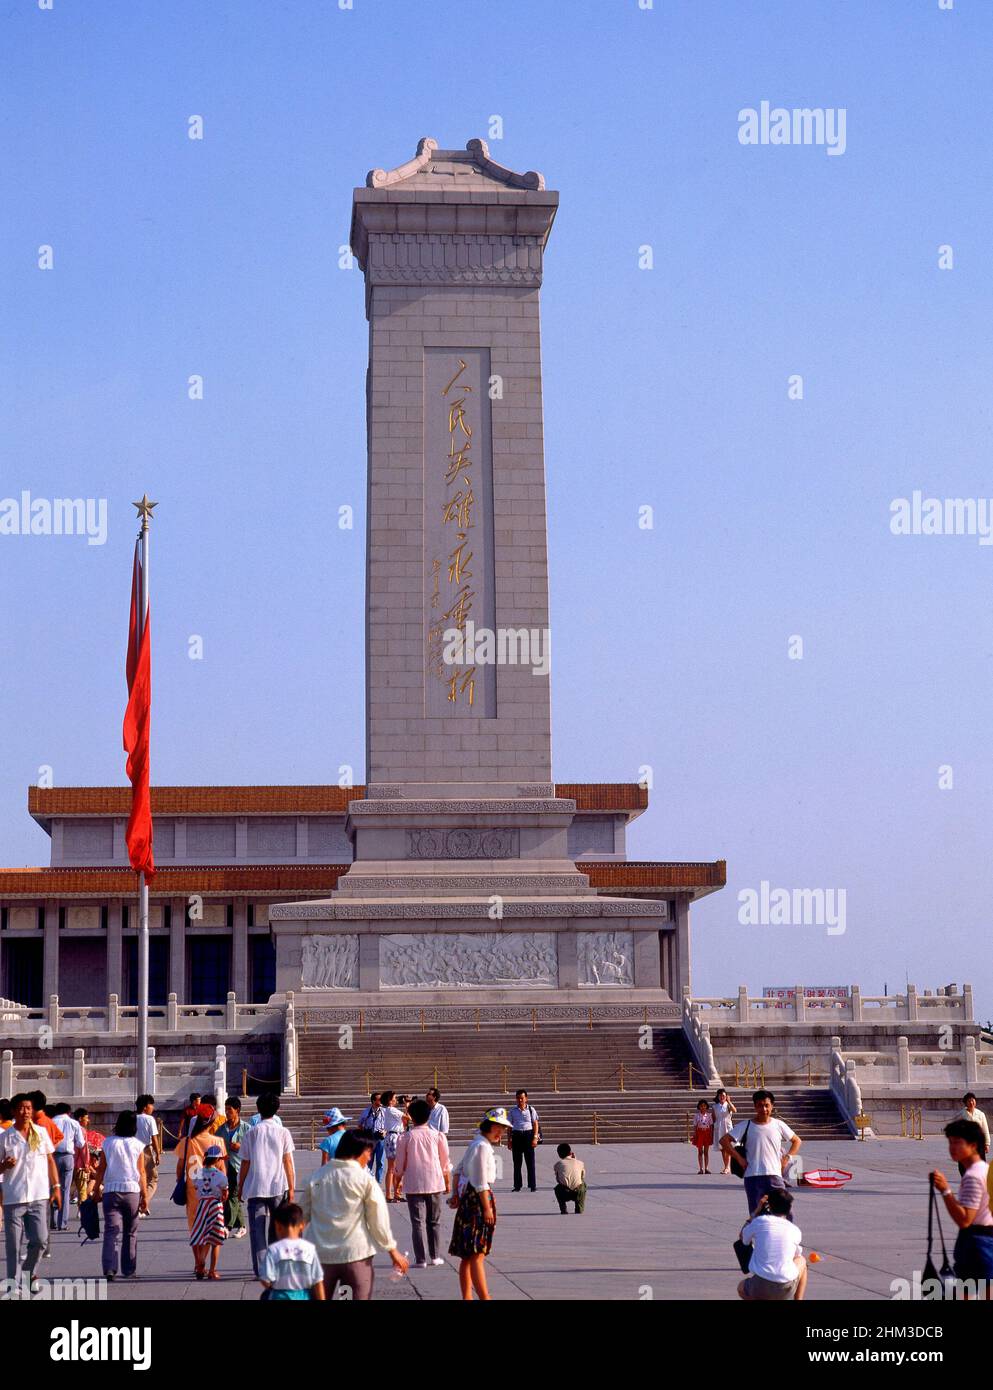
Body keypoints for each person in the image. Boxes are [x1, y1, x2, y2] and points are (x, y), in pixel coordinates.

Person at [297, 1127, 408, 1300]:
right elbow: (378, 1221)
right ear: (359, 1151)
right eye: (369, 1152)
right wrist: (393, 1252)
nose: (369, 1158)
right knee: (349, 1296)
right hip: (355, 1256)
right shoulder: (365, 1180)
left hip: (320, 1257)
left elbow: (300, 1218)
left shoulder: (316, 1178)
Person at [448, 1107, 512, 1301]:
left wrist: (456, 1195)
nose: (500, 1132)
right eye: (497, 1127)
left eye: (502, 1128)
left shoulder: (476, 1144)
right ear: (488, 1126)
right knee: (477, 1253)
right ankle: (484, 1297)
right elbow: (480, 1182)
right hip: (478, 1200)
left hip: (470, 1198)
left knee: (468, 1255)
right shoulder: (482, 1147)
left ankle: (467, 1296)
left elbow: (458, 1171)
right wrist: (487, 1208)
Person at [0, 1094, 60, 1285]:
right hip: (14, 1196)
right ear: (13, 1111)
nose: (25, 1112)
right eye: (21, 1108)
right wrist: (4, 1165)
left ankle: (28, 1272)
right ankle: (13, 1284)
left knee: (41, 1240)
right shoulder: (5, 1137)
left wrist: (56, 1186)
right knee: (13, 1246)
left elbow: (50, 1160)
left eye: (28, 1108)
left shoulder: (40, 1133)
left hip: (38, 1195)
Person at [238, 1092, 295, 1278]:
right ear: (276, 1110)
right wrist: (292, 1188)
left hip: (255, 1186)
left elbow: (245, 1162)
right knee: (277, 1229)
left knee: (257, 1231)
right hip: (278, 1185)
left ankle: (262, 1270)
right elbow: (287, 1161)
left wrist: (240, 1186)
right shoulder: (283, 1132)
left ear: (258, 1110)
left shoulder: (251, 1132)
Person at [933, 1119, 993, 1296]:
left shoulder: (973, 1176)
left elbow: (965, 1219)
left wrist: (945, 1191)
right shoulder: (985, 1169)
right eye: (950, 1142)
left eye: (957, 1142)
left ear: (973, 1145)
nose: (952, 1147)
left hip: (977, 1243)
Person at [721, 1090, 801, 1216]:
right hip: (753, 1176)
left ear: (772, 1106)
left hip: (775, 1175)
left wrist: (786, 1158)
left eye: (766, 1105)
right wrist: (739, 1158)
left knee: (786, 1212)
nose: (763, 1109)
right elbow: (724, 1141)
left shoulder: (778, 1125)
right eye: (760, 1105)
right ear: (755, 1106)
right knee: (756, 1214)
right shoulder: (746, 1125)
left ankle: (785, 1235)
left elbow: (796, 1141)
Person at [91, 1109, 148, 1280]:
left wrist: (95, 1190)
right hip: (132, 1191)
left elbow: (101, 1168)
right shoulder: (138, 1145)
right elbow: (142, 1172)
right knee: (130, 1232)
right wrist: (145, 1196)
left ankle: (110, 1268)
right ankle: (129, 1270)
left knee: (110, 1231)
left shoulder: (108, 1143)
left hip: (111, 1191)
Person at [395, 1097, 450, 1267]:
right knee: (434, 1221)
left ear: (411, 1116)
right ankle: (434, 1256)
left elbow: (400, 1164)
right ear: (428, 1115)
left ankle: (420, 1259)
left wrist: (396, 1182)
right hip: (434, 1181)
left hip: (413, 1183)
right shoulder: (438, 1136)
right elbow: (445, 1162)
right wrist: (447, 1181)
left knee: (417, 1223)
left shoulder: (405, 1138)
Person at [737, 1188, 807, 1300]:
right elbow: (796, 1255)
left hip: (759, 1286)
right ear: (789, 1209)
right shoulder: (794, 1230)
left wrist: (755, 1212)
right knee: (802, 1260)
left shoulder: (760, 1221)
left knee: (741, 1287)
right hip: (785, 1287)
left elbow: (742, 1237)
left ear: (769, 1206)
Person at [258, 1200, 326, 1300]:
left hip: (279, 1296)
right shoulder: (309, 1249)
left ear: (277, 1226)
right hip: (302, 1296)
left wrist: (274, 1288)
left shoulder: (274, 1250)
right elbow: (318, 1281)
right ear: (302, 1225)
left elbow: (265, 1279)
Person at [175, 1115, 228, 1233]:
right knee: (212, 1221)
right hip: (213, 1186)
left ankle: (198, 1245)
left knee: (194, 1221)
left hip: (193, 1186)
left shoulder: (186, 1141)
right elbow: (221, 1167)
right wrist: (225, 1188)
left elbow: (179, 1166)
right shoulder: (217, 1141)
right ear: (211, 1124)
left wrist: (179, 1180)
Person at [190, 1144, 228, 1280]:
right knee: (216, 1240)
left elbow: (196, 1187)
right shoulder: (221, 1176)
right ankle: (211, 1270)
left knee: (202, 1234)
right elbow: (224, 1194)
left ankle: (200, 1262)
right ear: (217, 1159)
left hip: (202, 1206)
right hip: (215, 1206)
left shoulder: (197, 1173)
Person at [215, 1095, 250, 1237]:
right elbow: (215, 1145)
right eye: (226, 1109)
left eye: (230, 1109)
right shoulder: (221, 1129)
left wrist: (240, 1147)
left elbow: (253, 1148)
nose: (227, 1112)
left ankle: (228, 1225)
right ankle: (241, 1225)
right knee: (230, 1196)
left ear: (237, 1110)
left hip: (240, 1166)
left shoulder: (247, 1128)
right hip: (225, 1166)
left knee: (234, 1195)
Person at [50, 1103, 85, 1232]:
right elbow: (80, 1143)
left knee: (53, 1187)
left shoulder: (51, 1122)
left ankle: (52, 1221)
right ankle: (62, 1222)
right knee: (65, 1190)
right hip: (68, 1156)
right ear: (69, 1112)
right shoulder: (74, 1123)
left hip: (53, 1156)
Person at [508, 1089, 540, 1193]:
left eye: (522, 1098)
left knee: (530, 1162)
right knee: (517, 1163)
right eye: (518, 1098)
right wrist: (509, 1140)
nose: (520, 1100)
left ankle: (532, 1185)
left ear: (526, 1098)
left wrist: (535, 1137)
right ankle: (517, 1186)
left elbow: (535, 1123)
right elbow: (509, 1126)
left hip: (528, 1135)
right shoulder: (512, 1111)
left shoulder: (531, 1110)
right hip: (517, 1135)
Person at [134, 1095, 160, 1215]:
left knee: (138, 1177)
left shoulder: (133, 1117)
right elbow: (154, 1138)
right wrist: (158, 1153)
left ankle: (139, 1203)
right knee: (153, 1178)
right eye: (151, 1105)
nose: (153, 1108)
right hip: (146, 1150)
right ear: (145, 1107)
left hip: (133, 1149)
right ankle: (143, 1202)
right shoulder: (149, 1119)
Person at [380, 1090, 406, 1202]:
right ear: (390, 1101)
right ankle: (391, 1194)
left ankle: (395, 1193)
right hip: (394, 1137)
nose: (396, 1100)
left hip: (392, 1137)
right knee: (393, 1168)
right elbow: (408, 1117)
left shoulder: (387, 1110)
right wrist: (407, 1105)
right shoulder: (392, 1110)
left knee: (394, 1167)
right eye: (394, 1098)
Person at [357, 1092, 386, 1184]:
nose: (381, 1101)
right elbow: (359, 1124)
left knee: (380, 1162)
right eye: (379, 1099)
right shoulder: (366, 1112)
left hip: (380, 1139)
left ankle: (378, 1182)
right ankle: (368, 1181)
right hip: (369, 1139)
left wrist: (385, 1131)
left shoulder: (384, 1111)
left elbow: (388, 1125)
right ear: (373, 1101)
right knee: (368, 1161)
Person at [553, 1142, 587, 1214]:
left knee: (557, 1188)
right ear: (570, 1152)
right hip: (578, 1192)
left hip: (564, 1193)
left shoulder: (558, 1164)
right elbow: (582, 1177)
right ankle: (579, 1207)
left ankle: (563, 1209)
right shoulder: (580, 1163)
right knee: (583, 1185)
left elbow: (558, 1180)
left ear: (559, 1154)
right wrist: (575, 1159)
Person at [713, 1089, 737, 1174]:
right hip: (719, 1128)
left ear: (726, 1096)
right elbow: (713, 1118)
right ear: (718, 1097)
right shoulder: (715, 1106)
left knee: (728, 1148)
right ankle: (726, 1166)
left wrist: (729, 1101)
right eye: (720, 1096)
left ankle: (727, 1167)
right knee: (722, 1148)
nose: (722, 1097)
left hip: (727, 1128)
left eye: (723, 1095)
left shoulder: (728, 1105)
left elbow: (734, 1110)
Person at [692, 1099, 715, 1174]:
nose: (703, 1107)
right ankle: (701, 1168)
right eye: (701, 1106)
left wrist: (711, 1134)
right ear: (699, 1107)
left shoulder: (708, 1115)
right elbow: (695, 1126)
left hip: (707, 1133)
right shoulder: (696, 1116)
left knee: (706, 1152)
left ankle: (706, 1168)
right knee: (700, 1152)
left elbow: (711, 1125)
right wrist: (695, 1134)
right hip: (700, 1133)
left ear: (706, 1107)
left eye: (704, 1106)